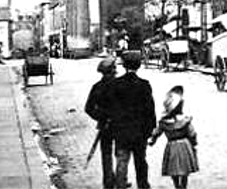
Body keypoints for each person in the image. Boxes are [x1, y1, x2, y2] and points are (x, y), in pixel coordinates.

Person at [106, 50, 156, 189]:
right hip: (139, 132)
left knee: (122, 161)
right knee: (141, 161)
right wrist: (150, 129)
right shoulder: (144, 85)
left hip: (121, 131)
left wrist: (112, 125)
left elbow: (110, 107)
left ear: (124, 66)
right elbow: (150, 110)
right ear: (139, 66)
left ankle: (120, 186)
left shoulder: (116, 84)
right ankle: (143, 185)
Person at [148, 86, 199, 189]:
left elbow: (156, 133)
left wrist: (152, 140)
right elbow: (192, 133)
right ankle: (183, 186)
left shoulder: (164, 123)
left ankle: (176, 185)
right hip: (185, 145)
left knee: (173, 170)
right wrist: (194, 143)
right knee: (185, 170)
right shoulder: (184, 120)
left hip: (171, 145)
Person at [85, 56, 118, 189]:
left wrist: (101, 117)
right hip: (119, 124)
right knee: (122, 152)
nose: (116, 71)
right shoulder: (120, 86)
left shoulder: (97, 87)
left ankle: (109, 180)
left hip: (105, 125)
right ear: (111, 71)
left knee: (106, 153)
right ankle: (119, 178)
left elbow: (89, 108)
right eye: (114, 69)